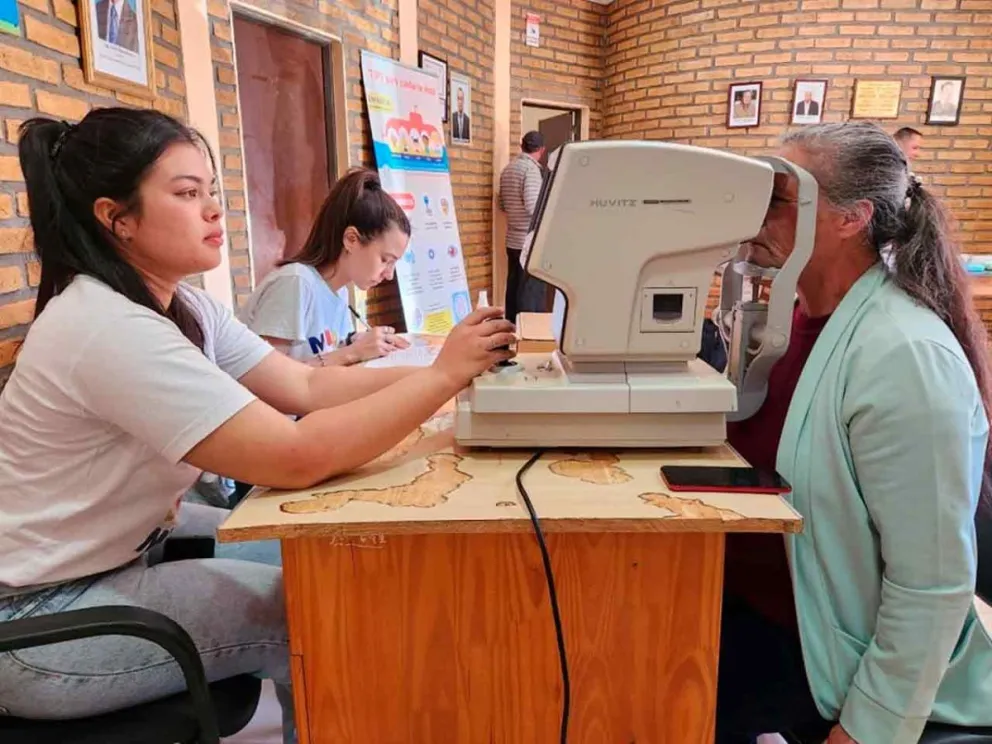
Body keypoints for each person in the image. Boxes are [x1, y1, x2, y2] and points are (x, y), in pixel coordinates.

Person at [0, 108, 515, 743]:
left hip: (123, 551)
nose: (214, 210)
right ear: (117, 218)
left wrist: (445, 373)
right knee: (317, 611)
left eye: (211, 191)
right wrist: (441, 379)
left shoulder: (183, 304)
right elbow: (294, 454)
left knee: (326, 555)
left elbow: (306, 386)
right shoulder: (105, 325)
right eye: (187, 194)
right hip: (39, 617)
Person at [717, 121, 992, 743]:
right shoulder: (793, 321)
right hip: (755, 603)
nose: (754, 214)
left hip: (818, 649)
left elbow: (933, 585)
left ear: (851, 218)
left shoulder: (904, 356)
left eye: (777, 198)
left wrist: (870, 728)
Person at [240, 168, 411, 366]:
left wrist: (354, 343)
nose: (389, 275)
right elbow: (266, 377)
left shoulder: (339, 292)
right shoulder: (295, 283)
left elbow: (324, 355)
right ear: (351, 239)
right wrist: (353, 353)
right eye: (385, 260)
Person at [498, 131, 545, 322]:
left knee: (514, 287)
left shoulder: (508, 170)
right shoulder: (531, 170)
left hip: (512, 240)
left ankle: (510, 329)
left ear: (521, 146)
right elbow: (533, 206)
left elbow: (502, 205)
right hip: (529, 242)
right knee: (530, 292)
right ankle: (528, 333)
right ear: (542, 150)